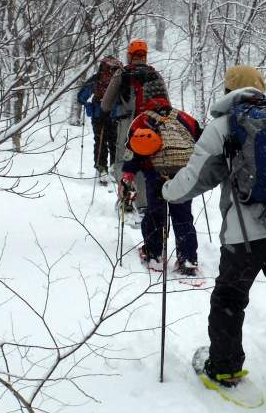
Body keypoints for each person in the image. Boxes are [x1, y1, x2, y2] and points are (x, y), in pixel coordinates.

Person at [162, 65, 266, 413]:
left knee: (230, 298)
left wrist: (167, 192)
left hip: (245, 235)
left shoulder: (223, 126)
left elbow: (195, 177)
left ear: (228, 89)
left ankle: (224, 367)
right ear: (262, 88)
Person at [122, 95, 200, 275]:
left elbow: (134, 149)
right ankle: (187, 259)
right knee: (183, 216)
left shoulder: (142, 119)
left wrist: (128, 174)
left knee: (155, 213)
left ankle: (154, 253)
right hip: (184, 172)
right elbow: (201, 139)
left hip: (156, 173)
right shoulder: (183, 117)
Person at [101, 39, 169, 216]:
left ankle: (126, 198)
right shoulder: (154, 75)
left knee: (124, 161)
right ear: (145, 55)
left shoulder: (122, 74)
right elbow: (166, 103)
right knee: (147, 162)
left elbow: (106, 105)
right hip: (152, 125)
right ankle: (145, 204)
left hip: (127, 125)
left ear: (130, 56)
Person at [76, 56, 122, 184]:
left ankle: (101, 169)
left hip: (99, 113)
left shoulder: (97, 78)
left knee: (100, 142)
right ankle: (114, 168)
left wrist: (88, 104)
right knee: (115, 142)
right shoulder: (121, 78)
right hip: (116, 114)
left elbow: (81, 96)